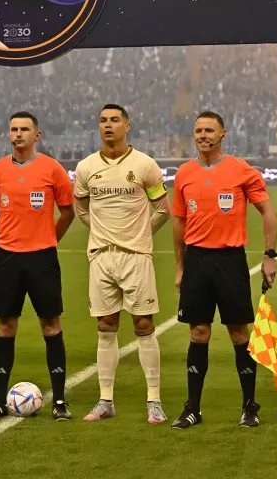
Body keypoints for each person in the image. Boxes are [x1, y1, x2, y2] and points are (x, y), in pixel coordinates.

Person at [170, 111, 277, 429]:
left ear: (222, 134)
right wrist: (179, 267)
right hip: (196, 261)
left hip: (231, 261)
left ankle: (249, 406)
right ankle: (193, 408)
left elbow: (268, 212)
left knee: (238, 333)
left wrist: (269, 255)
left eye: (209, 130)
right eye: (198, 130)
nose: (203, 135)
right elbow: (179, 222)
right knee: (198, 332)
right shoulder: (184, 174)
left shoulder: (242, 171)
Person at [73, 104, 171, 424]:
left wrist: (140, 234)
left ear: (127, 126)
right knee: (105, 327)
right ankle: (105, 400)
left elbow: (163, 209)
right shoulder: (87, 167)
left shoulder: (144, 164)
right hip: (101, 257)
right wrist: (102, 235)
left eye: (114, 120)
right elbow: (82, 208)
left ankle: (153, 401)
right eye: (103, 121)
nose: (108, 125)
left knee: (143, 325)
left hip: (136, 256)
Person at [0, 112, 76, 421]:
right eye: (14, 129)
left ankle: (59, 401)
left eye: (25, 129)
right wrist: (7, 234)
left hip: (42, 258)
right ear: (9, 134)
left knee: (51, 324)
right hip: (7, 258)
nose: (18, 133)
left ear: (38, 135)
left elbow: (67, 212)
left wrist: (48, 240)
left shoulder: (52, 169)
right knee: (6, 325)